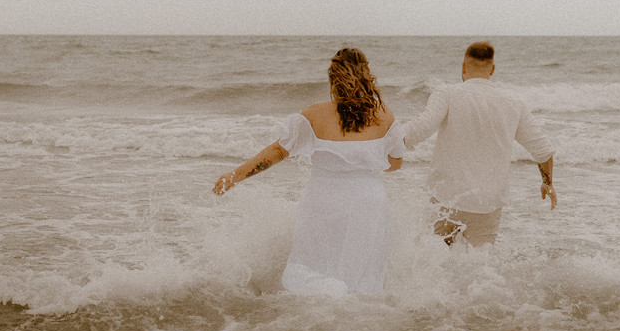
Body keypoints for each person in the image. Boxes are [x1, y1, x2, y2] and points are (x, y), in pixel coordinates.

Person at [213, 48, 404, 298]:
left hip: (323, 200)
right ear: (368, 76)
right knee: (362, 279)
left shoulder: (314, 114)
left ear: (333, 79)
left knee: (315, 270)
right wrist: (363, 163)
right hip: (368, 203)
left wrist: (235, 176)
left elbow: (278, 151)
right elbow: (395, 163)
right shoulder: (384, 115)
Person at [403, 41, 556, 247]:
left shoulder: (447, 93)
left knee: (434, 258)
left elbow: (421, 127)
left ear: (463, 67)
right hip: (487, 203)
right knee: (480, 264)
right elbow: (543, 151)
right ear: (492, 69)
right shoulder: (514, 103)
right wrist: (548, 183)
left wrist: (387, 141)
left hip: (447, 198)